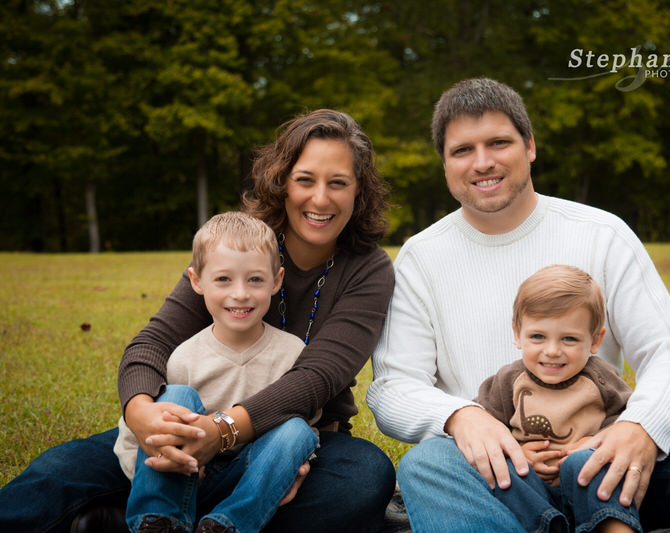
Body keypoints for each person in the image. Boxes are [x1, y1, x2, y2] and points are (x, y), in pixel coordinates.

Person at [366, 77, 670, 533]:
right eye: (462, 150)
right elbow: (393, 387)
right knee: (428, 465)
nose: (483, 162)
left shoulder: (600, 233)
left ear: (530, 146)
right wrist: (462, 417)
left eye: (499, 142)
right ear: (444, 162)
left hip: (608, 466)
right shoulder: (422, 256)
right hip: (496, 474)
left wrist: (640, 428)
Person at [0, 109, 396, 533]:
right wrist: (143, 418)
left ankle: (148, 518)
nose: (320, 198)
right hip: (188, 429)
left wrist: (221, 433)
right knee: (59, 471)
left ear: (359, 190)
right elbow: (150, 345)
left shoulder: (368, 269)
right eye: (305, 180)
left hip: (288, 443)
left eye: (338, 182)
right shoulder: (240, 246)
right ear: (282, 182)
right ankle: (176, 511)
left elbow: (315, 378)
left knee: (363, 477)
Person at [114, 211, 319, 532]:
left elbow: (302, 433)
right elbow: (136, 438)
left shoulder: (293, 353)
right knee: (176, 397)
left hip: (251, 480)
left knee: (297, 430)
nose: (240, 293)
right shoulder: (183, 358)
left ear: (277, 281)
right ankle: (158, 521)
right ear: (196, 281)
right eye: (223, 279)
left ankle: (228, 525)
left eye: (255, 279)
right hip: (183, 476)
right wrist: (164, 463)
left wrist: (296, 465)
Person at [476, 265, 638, 533]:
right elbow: (485, 427)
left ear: (595, 340)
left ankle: (614, 526)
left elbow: (627, 421)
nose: (552, 351)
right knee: (504, 474)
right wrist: (516, 453)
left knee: (594, 465)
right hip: (532, 492)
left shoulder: (601, 379)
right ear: (518, 334)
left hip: (588, 485)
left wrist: (598, 442)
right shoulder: (509, 381)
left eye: (569, 339)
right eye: (538, 336)